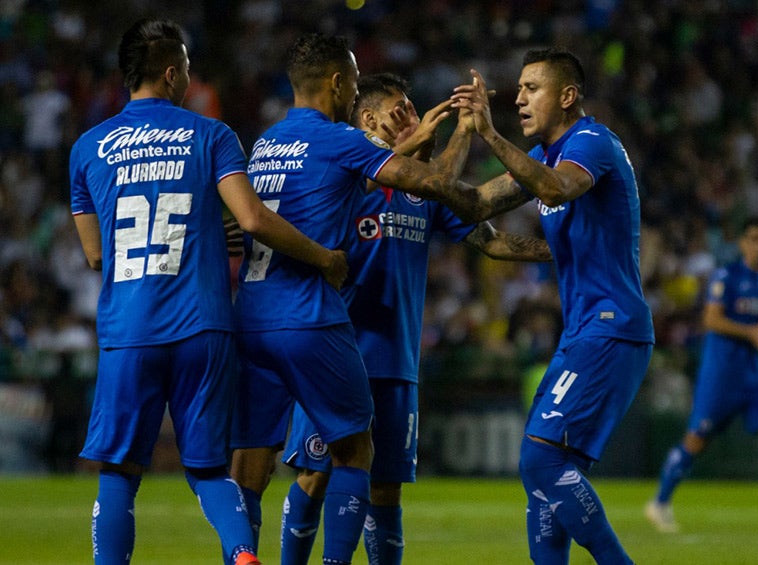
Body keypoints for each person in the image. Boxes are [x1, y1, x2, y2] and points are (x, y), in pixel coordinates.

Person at [69, 18, 347, 565]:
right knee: (207, 469)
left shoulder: (87, 148)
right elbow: (253, 219)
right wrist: (323, 257)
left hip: (129, 329)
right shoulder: (212, 135)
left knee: (120, 471)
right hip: (205, 327)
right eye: (189, 70)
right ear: (172, 74)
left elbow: (96, 255)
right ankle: (242, 555)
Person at [277, 72, 554, 565]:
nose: (412, 116)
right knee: (316, 475)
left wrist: (565, 252)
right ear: (368, 119)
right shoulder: (347, 172)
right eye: (400, 110)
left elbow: (489, 240)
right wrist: (460, 133)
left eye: (412, 108)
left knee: (386, 490)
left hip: (397, 363)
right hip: (337, 352)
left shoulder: (421, 191)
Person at [228, 32, 476, 565]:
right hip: (309, 316)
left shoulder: (267, 145)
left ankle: (239, 556)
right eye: (355, 84)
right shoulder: (340, 139)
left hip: (249, 314)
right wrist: (462, 135)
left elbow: (245, 222)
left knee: (250, 463)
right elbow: (429, 183)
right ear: (338, 83)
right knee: (354, 450)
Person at [447, 47, 655, 564]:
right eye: (517, 89)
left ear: (567, 96)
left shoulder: (591, 143)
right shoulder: (543, 156)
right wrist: (424, 184)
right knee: (545, 471)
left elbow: (558, 191)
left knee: (539, 460)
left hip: (612, 327)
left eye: (531, 88)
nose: (518, 98)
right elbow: (477, 208)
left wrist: (491, 135)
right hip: (583, 332)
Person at [645, 217, 758, 533]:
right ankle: (659, 503)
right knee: (695, 441)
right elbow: (711, 320)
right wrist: (749, 330)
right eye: (755, 239)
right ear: (742, 243)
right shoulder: (725, 277)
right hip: (721, 376)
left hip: (754, 375)